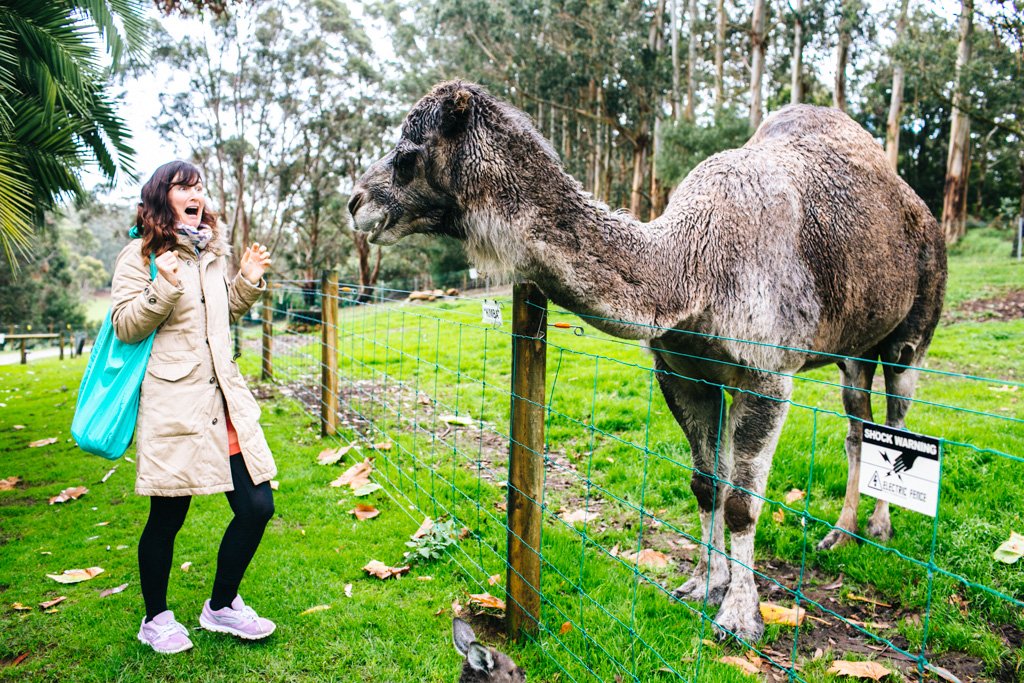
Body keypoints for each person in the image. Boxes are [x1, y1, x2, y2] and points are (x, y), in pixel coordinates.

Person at [111, 160, 277, 654]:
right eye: (184, 186)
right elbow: (125, 325)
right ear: (163, 197)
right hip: (176, 405)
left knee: (257, 506)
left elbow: (216, 316)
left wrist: (245, 282)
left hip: (222, 399)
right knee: (168, 516)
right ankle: (155, 618)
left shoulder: (210, 253)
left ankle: (221, 607)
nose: (195, 193)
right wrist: (161, 284)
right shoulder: (138, 256)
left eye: (199, 186)